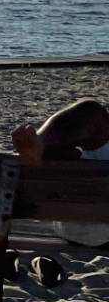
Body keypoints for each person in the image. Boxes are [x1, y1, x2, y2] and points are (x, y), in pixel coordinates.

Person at [9, 97, 109, 274]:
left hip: (74, 225)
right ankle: (42, 148)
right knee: (91, 116)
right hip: (93, 221)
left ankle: (41, 144)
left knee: (91, 112)